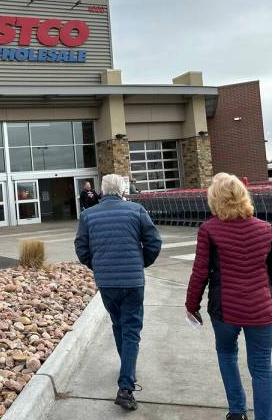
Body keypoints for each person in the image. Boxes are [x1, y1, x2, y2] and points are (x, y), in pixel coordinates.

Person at [185, 173, 272, 420]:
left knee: (226, 353)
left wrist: (191, 304)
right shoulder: (265, 228)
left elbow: (200, 271)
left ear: (215, 199)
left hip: (225, 310)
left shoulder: (209, 229)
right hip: (261, 309)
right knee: (261, 366)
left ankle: (237, 410)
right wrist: (261, 286)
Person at [74, 174, 162, 411]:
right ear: (123, 190)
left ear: (102, 191)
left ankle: (127, 368)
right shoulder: (136, 210)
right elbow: (154, 241)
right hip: (132, 281)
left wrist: (98, 266)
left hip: (107, 282)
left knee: (118, 324)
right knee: (131, 329)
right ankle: (126, 386)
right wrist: (141, 262)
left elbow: (81, 248)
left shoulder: (88, 215)